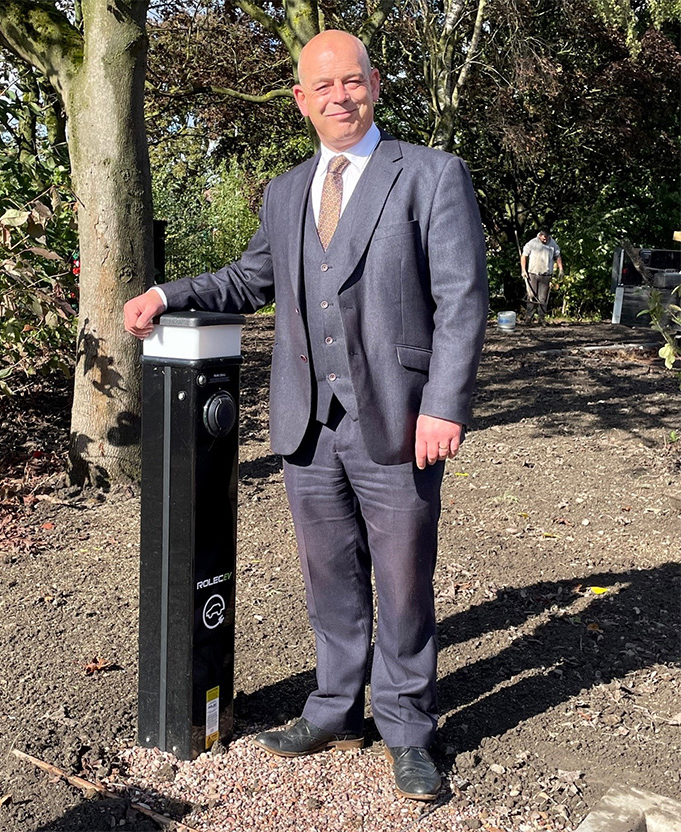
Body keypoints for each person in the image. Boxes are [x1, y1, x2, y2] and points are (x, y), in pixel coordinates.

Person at [124, 30, 488, 802]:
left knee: (404, 582)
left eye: (351, 82)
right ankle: (333, 709)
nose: (339, 97)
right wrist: (166, 295)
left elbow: (462, 300)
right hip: (306, 425)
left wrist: (444, 405)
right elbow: (250, 278)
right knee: (329, 583)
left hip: (398, 418)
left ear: (376, 85)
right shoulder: (286, 191)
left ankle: (408, 728)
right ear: (300, 101)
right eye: (321, 88)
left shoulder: (429, 175)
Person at [520, 229, 563, 324]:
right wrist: (523, 270)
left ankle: (541, 318)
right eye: (543, 238)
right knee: (531, 296)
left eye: (546, 238)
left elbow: (558, 256)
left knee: (543, 298)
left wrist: (561, 269)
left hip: (546, 274)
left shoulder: (553, 244)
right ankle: (528, 317)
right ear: (540, 235)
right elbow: (524, 256)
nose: (545, 240)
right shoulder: (532, 243)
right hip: (533, 273)